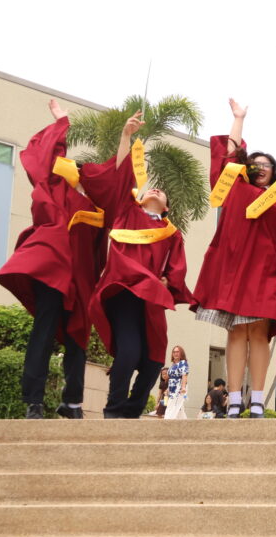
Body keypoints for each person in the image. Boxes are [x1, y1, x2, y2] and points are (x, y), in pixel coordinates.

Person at [193, 99, 276, 418]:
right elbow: (229, 155)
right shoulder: (235, 189)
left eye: (265, 163)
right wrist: (238, 119)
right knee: (236, 332)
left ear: (275, 171)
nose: (259, 167)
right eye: (253, 163)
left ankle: (257, 399)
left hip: (267, 274)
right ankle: (233, 399)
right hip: (235, 271)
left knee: (258, 330)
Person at [0, 99, 106, 419]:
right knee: (43, 332)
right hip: (52, 267)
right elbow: (44, 159)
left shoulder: (97, 211)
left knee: (77, 338)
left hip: (80, 279)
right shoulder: (56, 191)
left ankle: (71, 402)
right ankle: (33, 401)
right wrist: (62, 123)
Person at [80, 111, 194, 419]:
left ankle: (130, 410)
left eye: (161, 190)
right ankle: (114, 408)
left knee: (155, 360)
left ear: (167, 206)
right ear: (141, 199)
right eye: (150, 189)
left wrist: (171, 282)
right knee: (129, 352)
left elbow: (176, 268)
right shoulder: (126, 213)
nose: (154, 189)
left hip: (151, 296)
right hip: (122, 290)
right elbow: (121, 176)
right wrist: (126, 137)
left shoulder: (171, 232)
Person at [164, 345, 189, 419]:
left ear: (181, 353)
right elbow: (171, 379)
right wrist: (168, 389)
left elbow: (184, 375)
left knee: (172, 406)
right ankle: (185, 425)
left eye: (177, 351)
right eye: (174, 352)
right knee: (179, 408)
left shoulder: (183, 363)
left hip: (179, 388)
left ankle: (167, 421)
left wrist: (183, 387)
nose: (175, 353)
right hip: (172, 388)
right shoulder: (173, 365)